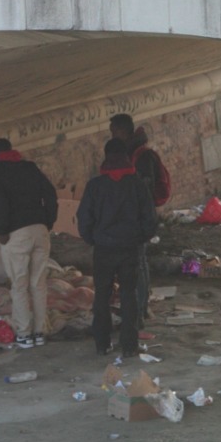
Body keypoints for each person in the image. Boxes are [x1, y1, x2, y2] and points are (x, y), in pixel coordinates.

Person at [76, 137, 157, 358]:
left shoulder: (95, 186)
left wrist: (92, 238)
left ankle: (102, 344)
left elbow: (83, 217)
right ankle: (129, 345)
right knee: (128, 294)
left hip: (104, 248)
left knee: (101, 295)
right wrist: (141, 237)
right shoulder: (137, 185)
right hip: (129, 247)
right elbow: (150, 218)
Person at [0, 138, 58, 349]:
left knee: (19, 284)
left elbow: (0, 204)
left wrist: (2, 231)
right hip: (40, 229)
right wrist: (48, 221)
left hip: (16, 233)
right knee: (38, 283)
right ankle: (40, 331)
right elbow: (50, 194)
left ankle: (24, 334)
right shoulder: (29, 168)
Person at [108, 114, 170, 324]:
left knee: (139, 263)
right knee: (139, 262)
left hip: (138, 217)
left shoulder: (141, 157)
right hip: (137, 216)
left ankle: (141, 309)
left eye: (113, 131)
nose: (112, 135)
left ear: (123, 131)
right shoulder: (133, 154)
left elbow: (145, 189)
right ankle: (140, 307)